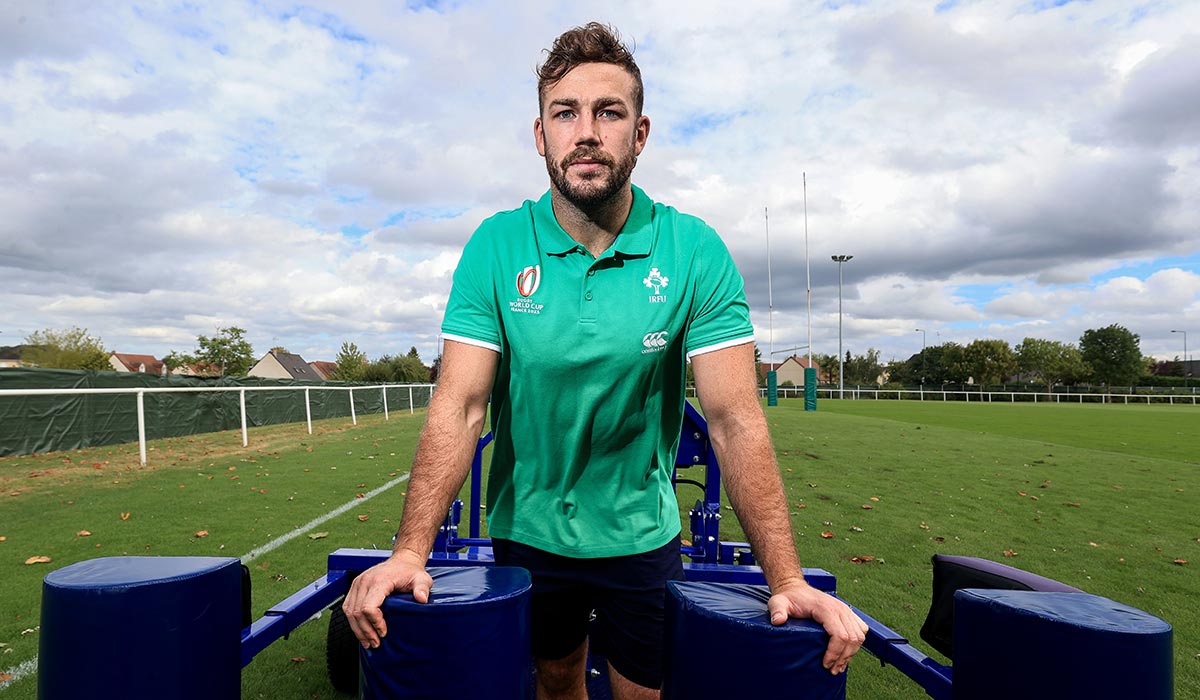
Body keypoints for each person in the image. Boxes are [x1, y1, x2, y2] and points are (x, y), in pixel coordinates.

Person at [342, 22, 867, 700]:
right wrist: (410, 553)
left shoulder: (693, 249)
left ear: (638, 134)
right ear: (541, 136)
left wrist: (789, 581)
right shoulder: (497, 246)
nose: (586, 132)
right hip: (528, 529)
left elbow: (735, 420)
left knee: (640, 692)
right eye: (565, 112)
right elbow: (462, 404)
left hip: (640, 533)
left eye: (608, 112)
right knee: (556, 679)